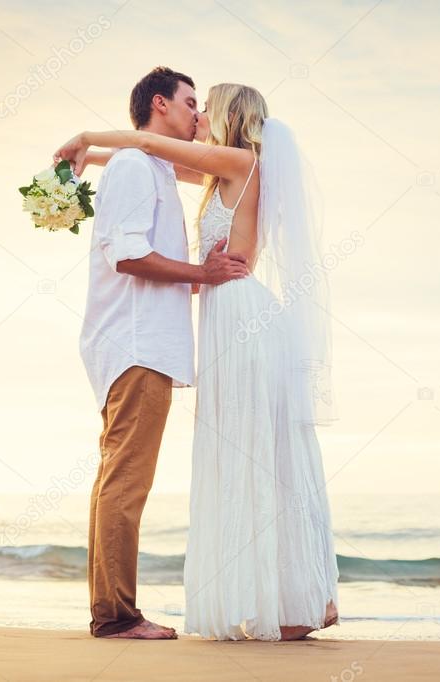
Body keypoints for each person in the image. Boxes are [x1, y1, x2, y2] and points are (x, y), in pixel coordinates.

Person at [56, 80, 340, 642]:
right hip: (220, 313)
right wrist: (98, 157)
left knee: (258, 451)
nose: (199, 114)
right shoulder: (220, 170)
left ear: (230, 116)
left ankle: (302, 598)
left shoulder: (239, 159)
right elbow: (150, 155)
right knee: (246, 452)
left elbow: (155, 149)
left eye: (205, 106)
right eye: (193, 104)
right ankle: (285, 599)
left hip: (239, 314)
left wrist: (87, 136)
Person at [65, 67, 249, 640]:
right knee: (127, 481)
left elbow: (157, 244)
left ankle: (111, 612)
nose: (199, 115)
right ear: (161, 104)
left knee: (119, 479)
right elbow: (128, 255)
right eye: (192, 103)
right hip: (137, 344)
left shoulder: (155, 169)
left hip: (147, 343)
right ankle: (117, 618)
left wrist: (196, 278)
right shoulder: (133, 167)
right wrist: (203, 273)